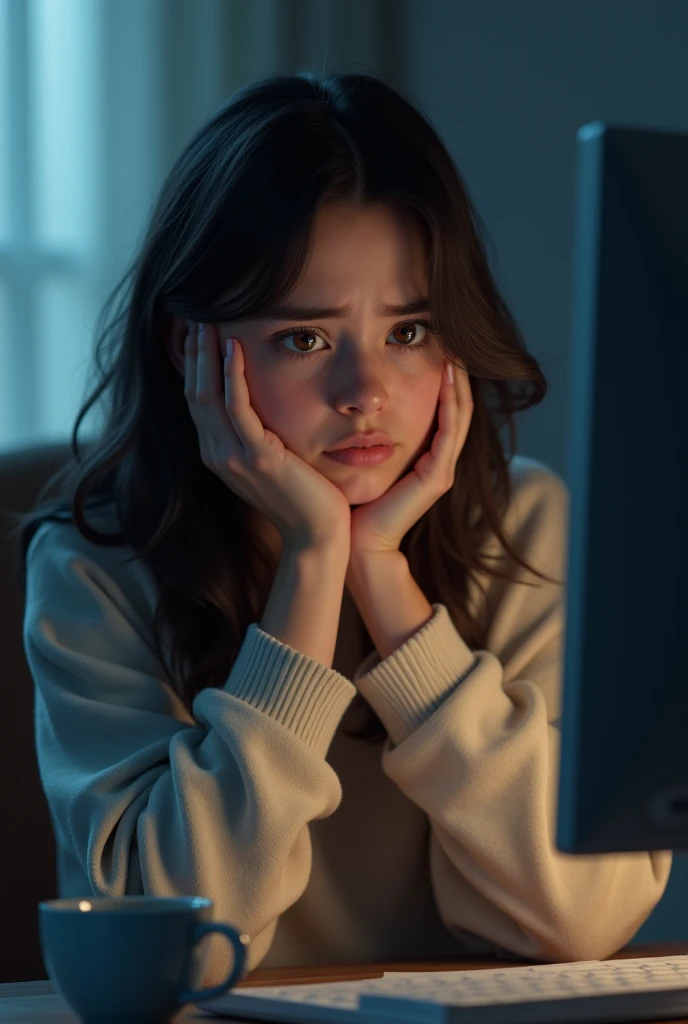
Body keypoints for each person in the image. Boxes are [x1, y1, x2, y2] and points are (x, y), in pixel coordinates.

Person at [7, 71, 671, 986]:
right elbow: (162, 947)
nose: (365, 393)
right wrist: (313, 570)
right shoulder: (92, 569)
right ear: (189, 347)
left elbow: (577, 920)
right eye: (306, 339)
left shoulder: (528, 524)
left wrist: (384, 581)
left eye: (409, 331)